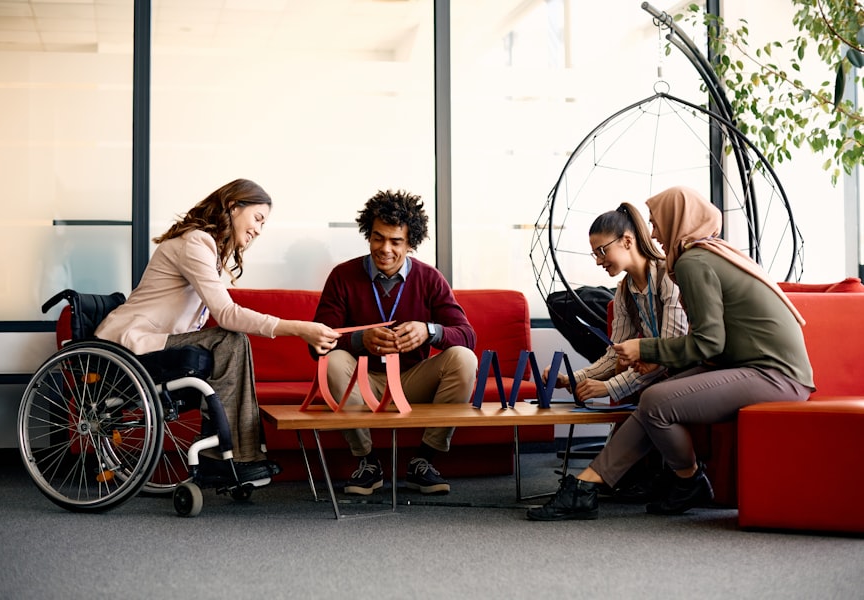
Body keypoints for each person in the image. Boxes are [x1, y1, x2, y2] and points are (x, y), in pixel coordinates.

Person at [527, 185, 814, 521]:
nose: (653, 232)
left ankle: (689, 478)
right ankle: (586, 485)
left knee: (655, 401)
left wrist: (644, 349)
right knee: (652, 399)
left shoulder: (692, 263)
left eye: (656, 222)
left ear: (678, 219)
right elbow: (707, 343)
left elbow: (708, 342)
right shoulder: (703, 254)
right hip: (746, 365)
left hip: (774, 374)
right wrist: (596, 372)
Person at [95, 178, 340, 483]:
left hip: (155, 344)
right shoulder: (196, 242)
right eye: (258, 218)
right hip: (131, 345)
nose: (259, 230)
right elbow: (226, 314)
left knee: (232, 342)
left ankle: (238, 455)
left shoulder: (207, 248)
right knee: (229, 338)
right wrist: (298, 328)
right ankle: (225, 456)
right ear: (233, 206)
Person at [313, 189, 478, 496]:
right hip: (361, 382)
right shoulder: (342, 276)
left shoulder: (430, 278)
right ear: (368, 235)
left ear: (410, 243)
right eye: (378, 238)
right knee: (333, 361)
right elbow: (317, 346)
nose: (384, 249)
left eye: (395, 241)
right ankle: (367, 463)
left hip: (412, 380)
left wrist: (430, 331)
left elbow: (467, 336)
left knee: (464, 358)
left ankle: (423, 462)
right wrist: (360, 340)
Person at [543, 202, 688, 405]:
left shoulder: (668, 277)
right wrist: (569, 379)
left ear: (627, 241)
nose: (598, 261)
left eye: (602, 250)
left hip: (684, 375)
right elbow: (614, 355)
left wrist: (608, 387)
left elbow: (669, 350)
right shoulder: (624, 291)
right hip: (656, 378)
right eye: (595, 254)